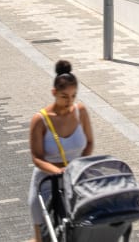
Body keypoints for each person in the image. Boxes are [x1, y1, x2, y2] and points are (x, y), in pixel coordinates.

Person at [27, 60, 95, 242]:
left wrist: (78, 167)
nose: (69, 101)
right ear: (54, 92)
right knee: (43, 238)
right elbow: (37, 158)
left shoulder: (80, 112)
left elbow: (89, 143)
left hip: (74, 181)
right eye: (65, 96)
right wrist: (58, 172)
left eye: (74, 96)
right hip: (47, 183)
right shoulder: (40, 120)